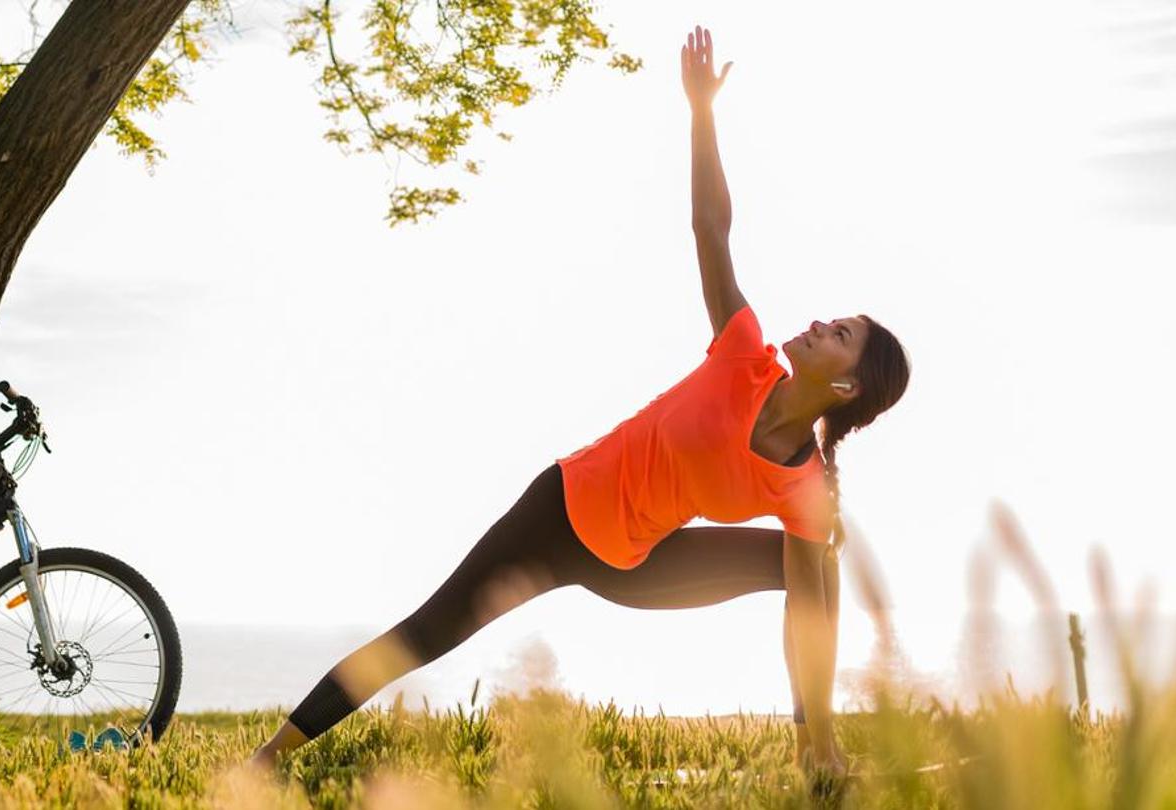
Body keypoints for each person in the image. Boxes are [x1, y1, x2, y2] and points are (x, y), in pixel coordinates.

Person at [245, 25, 911, 779]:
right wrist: (701, 112)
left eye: (841, 335)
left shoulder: (801, 485)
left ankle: (815, 750)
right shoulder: (744, 355)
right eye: (834, 321)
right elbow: (711, 229)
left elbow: (814, 610)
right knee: (428, 631)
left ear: (848, 385)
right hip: (557, 512)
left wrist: (817, 720)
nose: (822, 324)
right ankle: (266, 759)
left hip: (636, 565)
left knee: (814, 565)